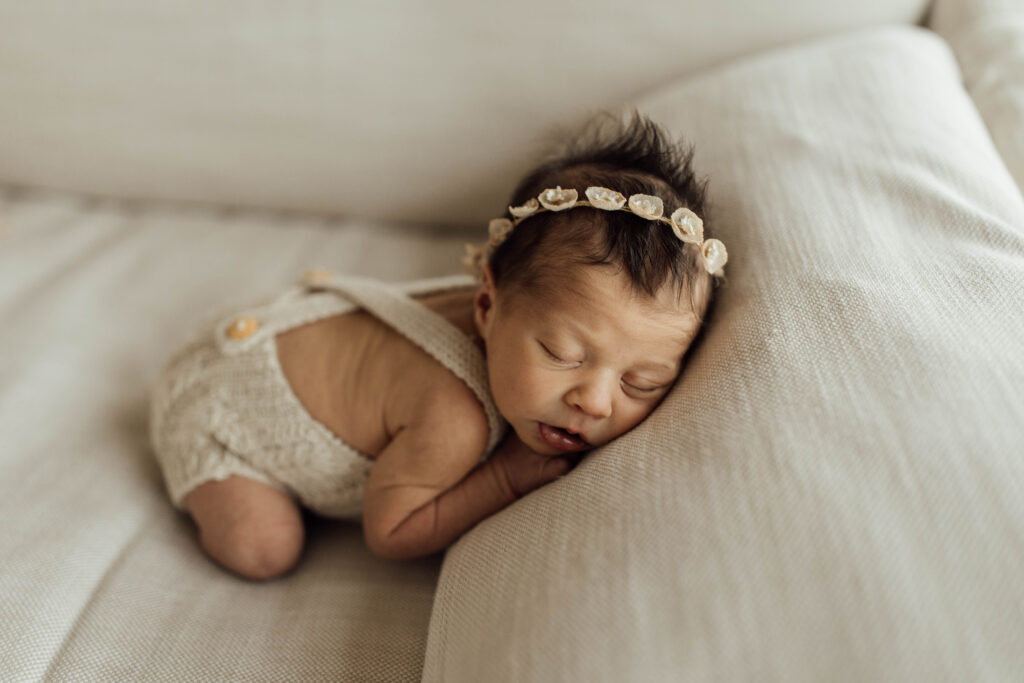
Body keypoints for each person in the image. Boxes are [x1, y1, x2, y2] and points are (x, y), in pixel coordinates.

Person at [148, 108, 728, 580]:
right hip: (222, 402)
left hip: (277, 343)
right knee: (264, 551)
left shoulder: (520, 311)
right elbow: (391, 531)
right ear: (486, 305)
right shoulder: (457, 417)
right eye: (563, 355)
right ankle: (198, 460)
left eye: (641, 382)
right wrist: (503, 479)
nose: (596, 402)